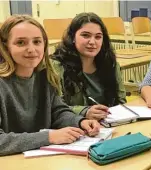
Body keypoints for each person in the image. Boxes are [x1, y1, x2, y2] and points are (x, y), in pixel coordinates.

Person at [0, 15, 100, 156]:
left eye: (37, 42)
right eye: (21, 43)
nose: (31, 49)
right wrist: (49, 137)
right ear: (5, 47)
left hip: (42, 161)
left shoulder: (44, 75)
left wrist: (80, 121)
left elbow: (57, 111)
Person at [51, 12, 126, 121]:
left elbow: (121, 101)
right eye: (85, 35)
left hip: (109, 124)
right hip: (74, 127)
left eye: (98, 37)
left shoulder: (110, 64)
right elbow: (55, 108)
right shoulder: (57, 66)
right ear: (72, 37)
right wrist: (85, 112)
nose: (92, 42)